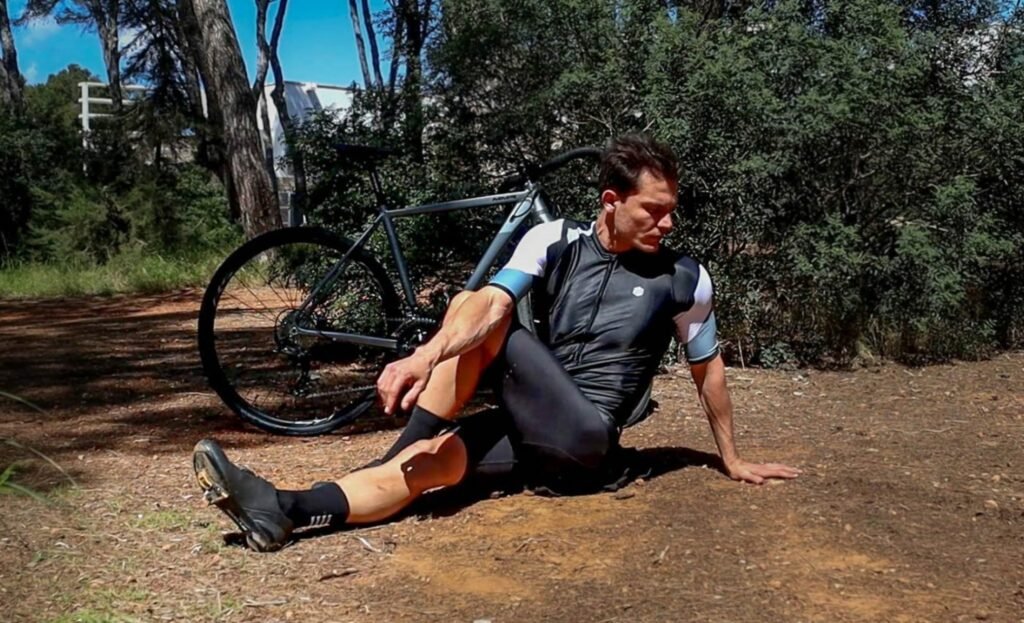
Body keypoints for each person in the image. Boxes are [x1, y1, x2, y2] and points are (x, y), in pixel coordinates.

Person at [192, 134, 801, 552]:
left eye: (672, 211)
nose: (668, 224)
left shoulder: (686, 278)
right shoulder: (554, 240)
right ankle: (285, 510)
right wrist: (430, 353)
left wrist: (732, 457)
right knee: (424, 466)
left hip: (587, 439)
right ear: (611, 203)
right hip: (534, 430)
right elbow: (489, 303)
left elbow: (708, 370)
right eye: (654, 210)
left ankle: (397, 438)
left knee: (485, 309)